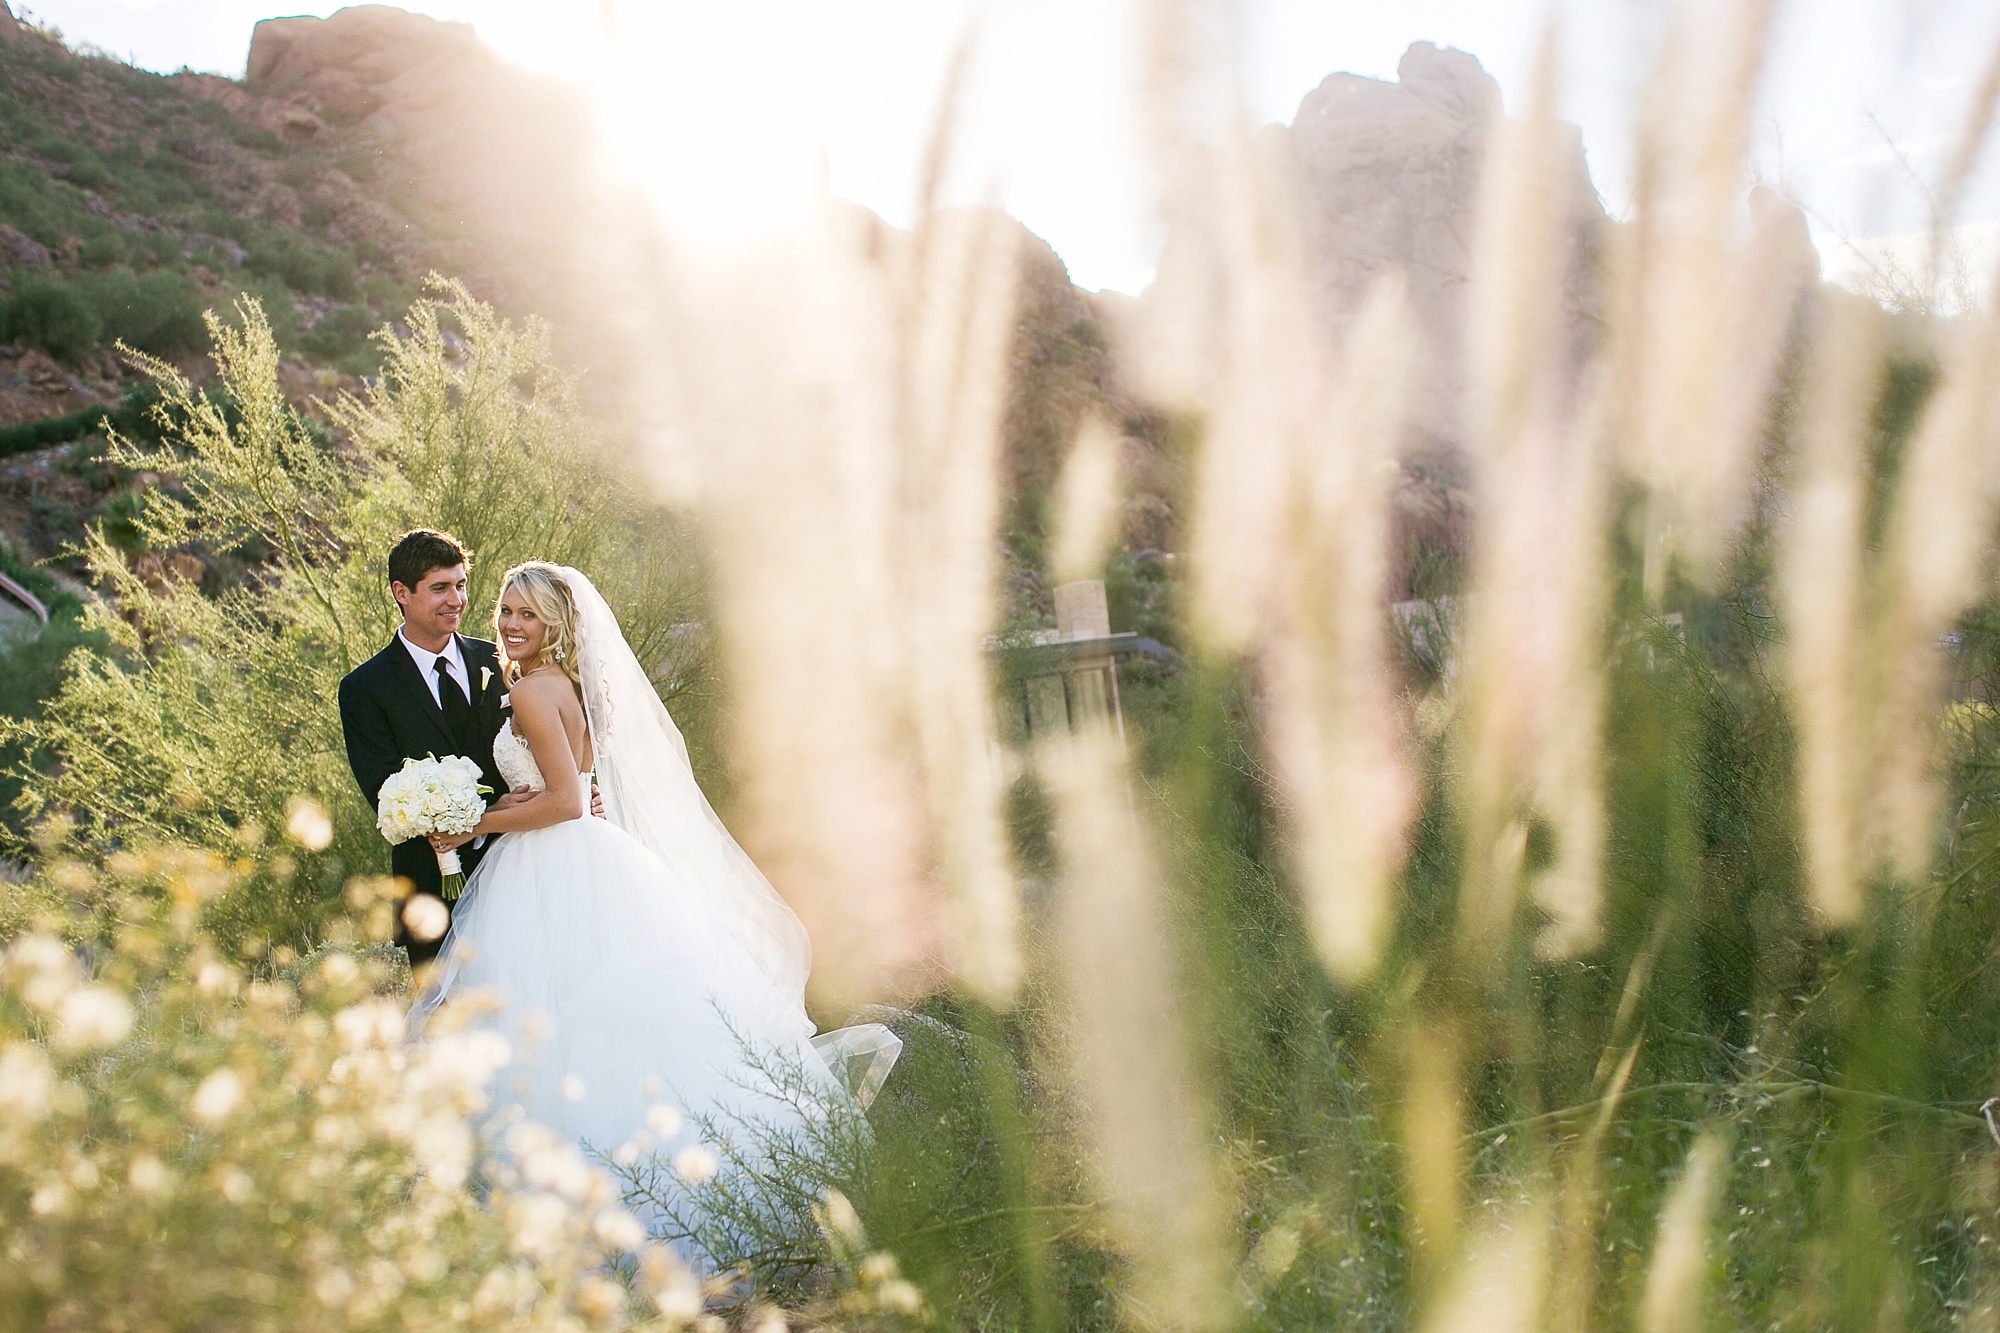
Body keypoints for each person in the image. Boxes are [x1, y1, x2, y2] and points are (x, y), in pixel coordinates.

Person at [406, 561, 899, 1253]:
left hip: (552, 867)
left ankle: (590, 1195)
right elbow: (568, 786)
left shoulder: (529, 696)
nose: (511, 624)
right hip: (582, 855)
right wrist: (515, 803)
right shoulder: (562, 685)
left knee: (559, 1018)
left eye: (527, 613)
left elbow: (566, 800)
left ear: (555, 622)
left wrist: (472, 824)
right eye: (506, 611)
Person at [336, 530, 514, 966]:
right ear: (402, 593)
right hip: (429, 893)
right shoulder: (365, 688)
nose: (456, 600)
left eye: (460, 585)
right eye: (440, 588)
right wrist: (473, 814)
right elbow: (384, 793)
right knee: (443, 1027)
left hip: (514, 876)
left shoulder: (498, 661)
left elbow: (533, 747)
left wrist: (580, 792)